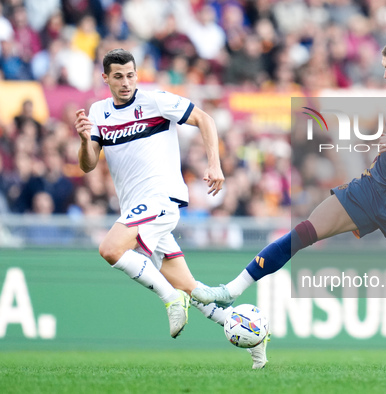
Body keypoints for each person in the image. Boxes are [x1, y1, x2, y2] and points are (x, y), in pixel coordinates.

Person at [192, 36, 386, 363]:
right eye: (384, 68)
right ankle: (231, 290)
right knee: (304, 232)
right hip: (372, 188)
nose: (385, 75)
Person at [74, 48, 268, 369]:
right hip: (135, 209)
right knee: (196, 290)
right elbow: (88, 165)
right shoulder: (98, 112)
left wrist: (214, 165)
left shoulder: (155, 101)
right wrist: (84, 140)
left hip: (161, 198)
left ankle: (169, 299)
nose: (126, 82)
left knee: (110, 249)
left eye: (131, 75)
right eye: (118, 76)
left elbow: (204, 119)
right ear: (105, 78)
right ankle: (254, 337)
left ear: (138, 74)